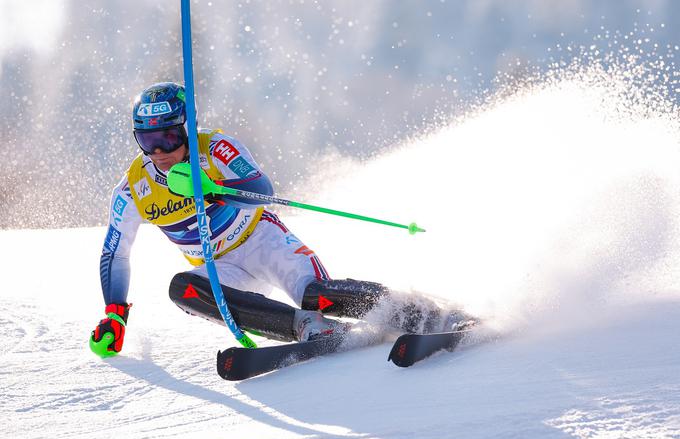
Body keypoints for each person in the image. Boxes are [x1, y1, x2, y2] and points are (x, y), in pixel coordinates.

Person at [90, 82, 453, 358]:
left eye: (168, 137)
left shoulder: (215, 148)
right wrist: (115, 313)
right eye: (146, 139)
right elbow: (115, 254)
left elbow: (262, 188)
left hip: (262, 242)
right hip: (221, 268)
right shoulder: (132, 188)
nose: (158, 152)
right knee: (183, 289)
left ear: (187, 128)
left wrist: (213, 188)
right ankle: (307, 328)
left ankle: (427, 315)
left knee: (315, 295)